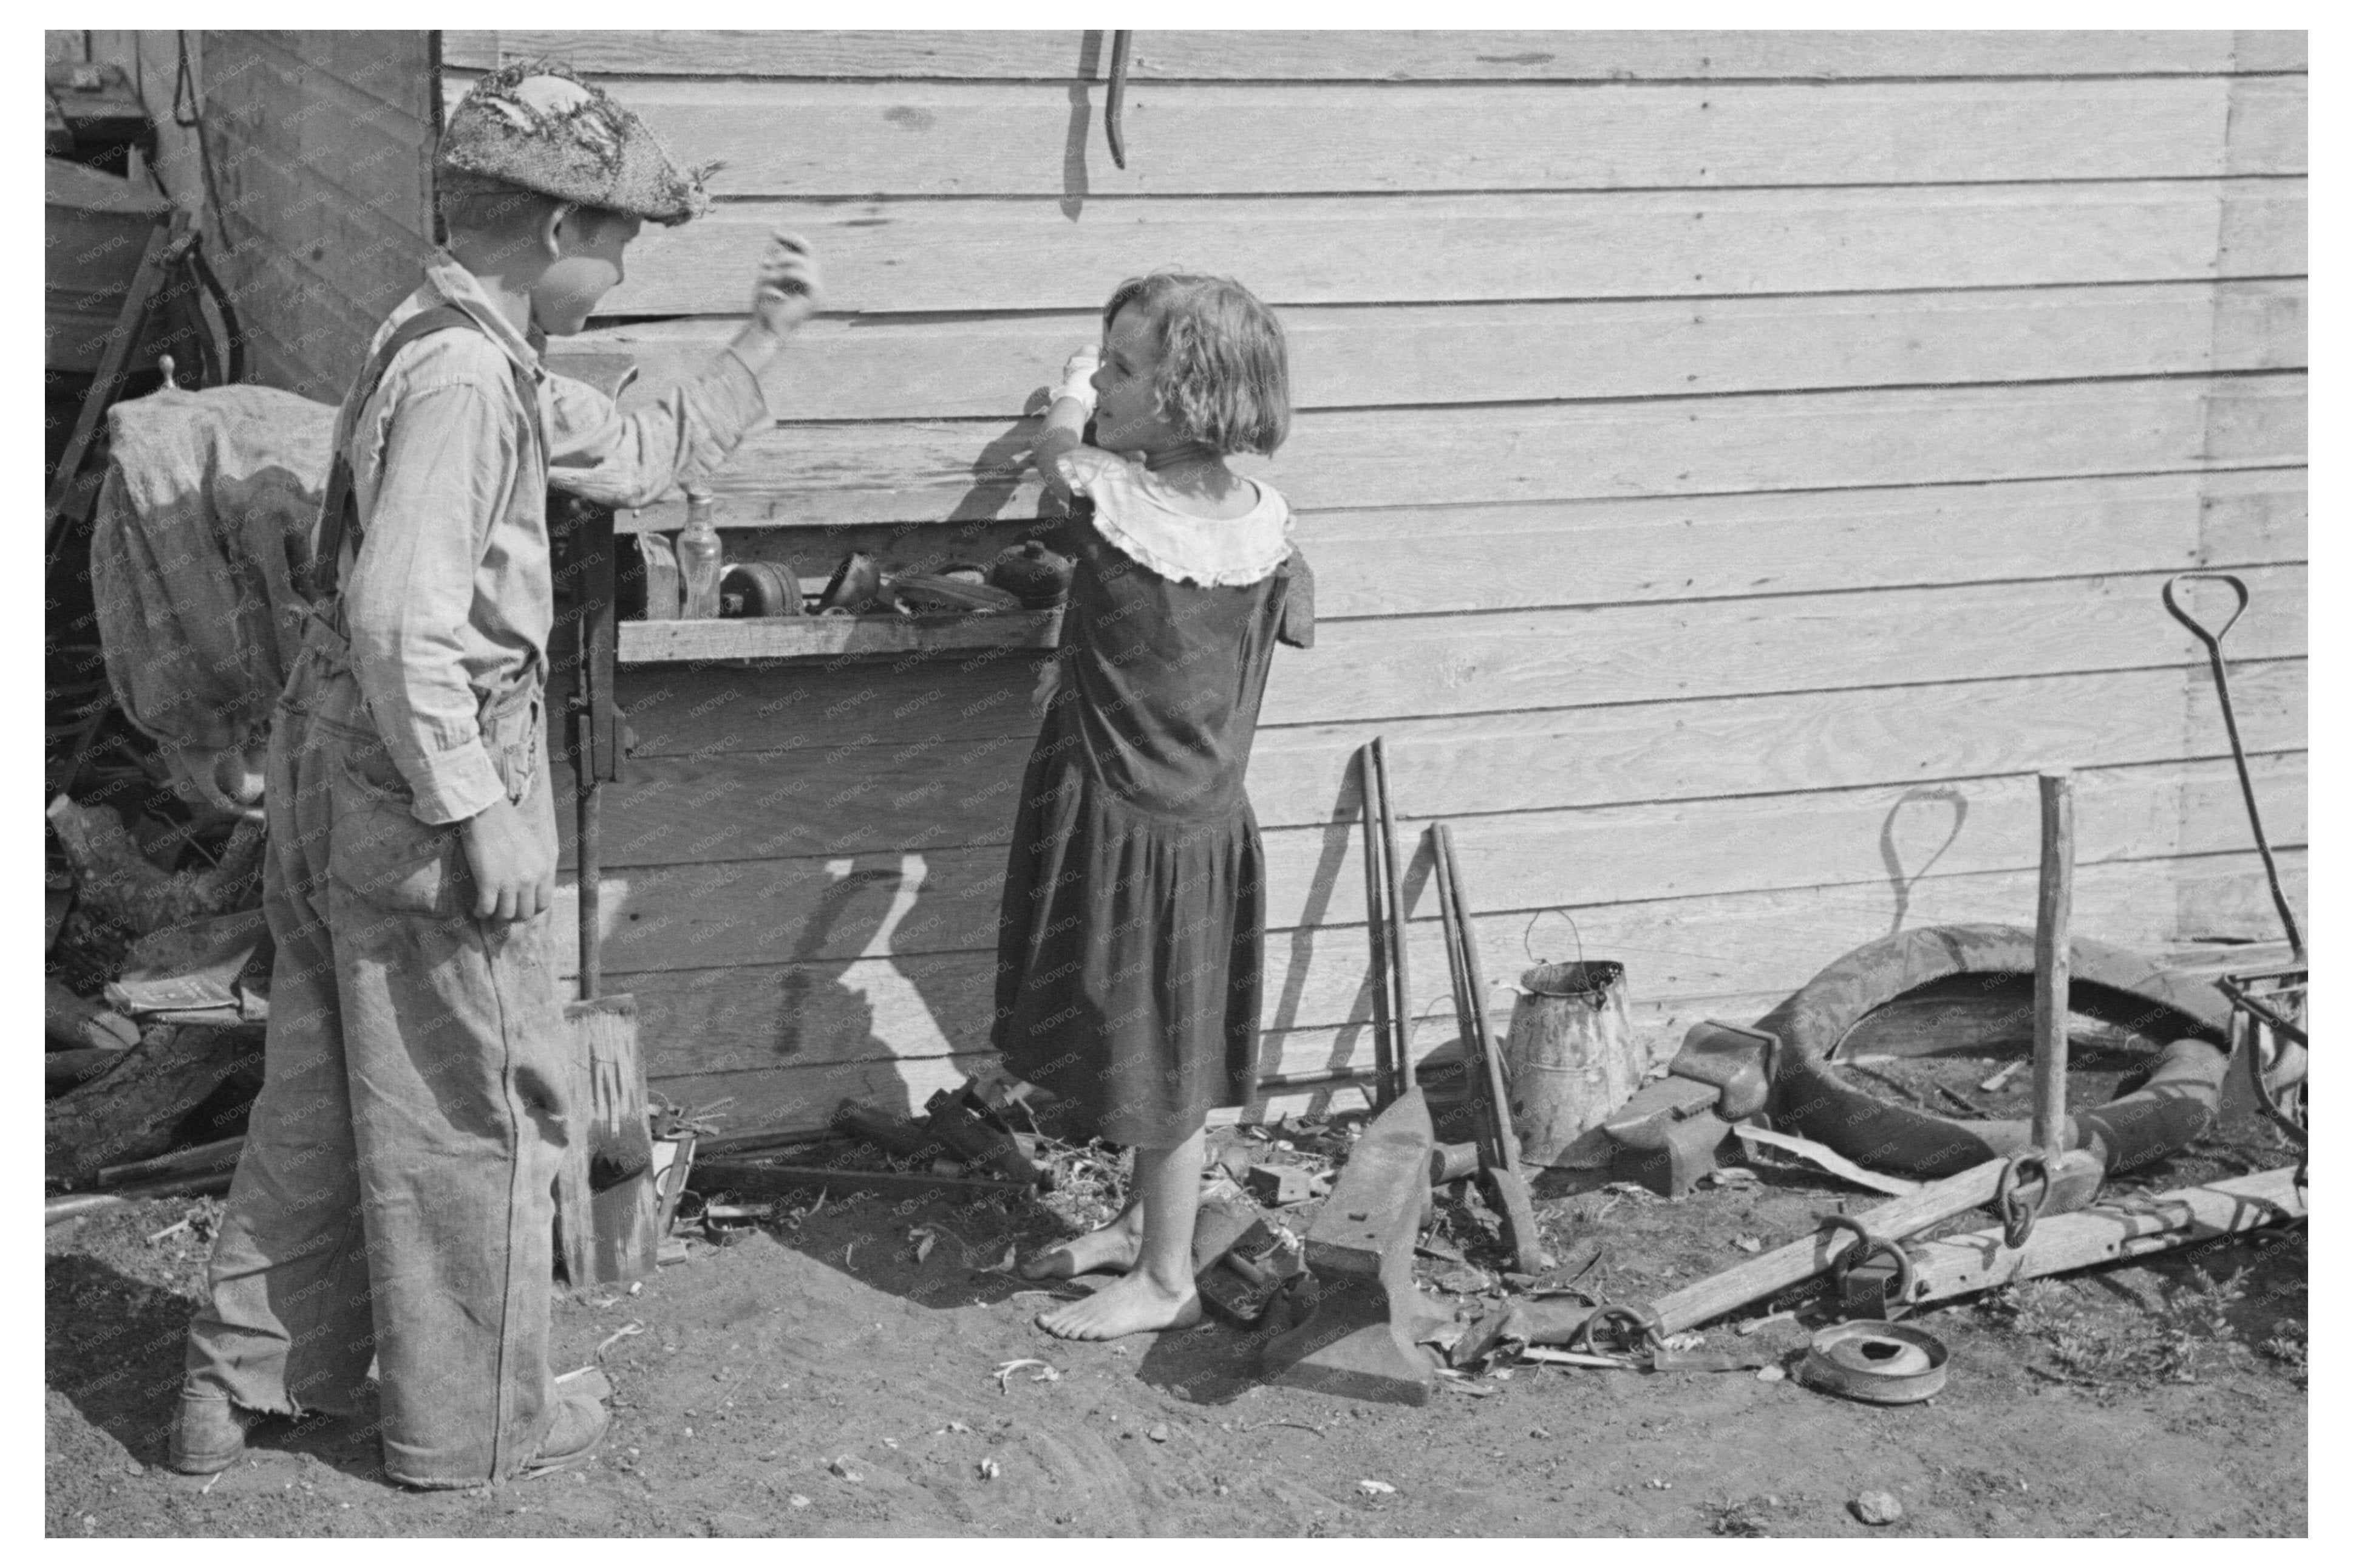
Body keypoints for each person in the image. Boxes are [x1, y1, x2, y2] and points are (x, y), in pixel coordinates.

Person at [168, 60, 823, 1487]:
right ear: (551, 232)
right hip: (423, 774)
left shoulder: (449, 334)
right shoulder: (473, 376)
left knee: (322, 1082)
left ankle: (237, 1384)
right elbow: (404, 616)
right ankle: (472, 1426)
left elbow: (633, 450)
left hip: (342, 756)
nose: (628, 265)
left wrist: (761, 347)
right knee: (479, 1108)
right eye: (621, 242)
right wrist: (478, 811)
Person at [993, 272, 1312, 1340]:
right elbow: (1287, 620)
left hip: (1130, 820)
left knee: (1157, 1057)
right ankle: (1140, 1224)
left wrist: (1071, 397)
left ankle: (1169, 1279)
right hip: (1203, 821)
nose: (1110, 378)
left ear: (1179, 400)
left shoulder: (1115, 502)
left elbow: (1056, 458)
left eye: (1127, 366)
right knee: (1151, 1026)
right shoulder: (1263, 525)